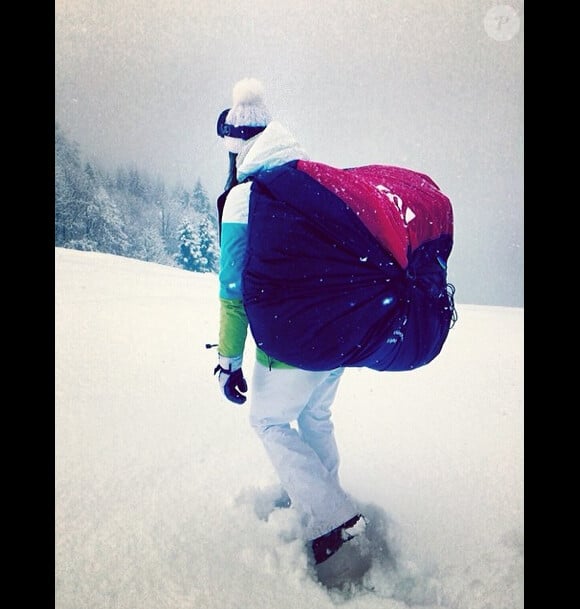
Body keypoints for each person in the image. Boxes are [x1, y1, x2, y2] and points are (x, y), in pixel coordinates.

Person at [213, 77, 367, 570]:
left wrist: (227, 360)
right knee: (314, 417)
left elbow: (233, 294)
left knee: (267, 418)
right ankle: (328, 499)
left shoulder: (245, 197)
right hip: (342, 332)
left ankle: (330, 517)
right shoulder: (310, 180)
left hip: (293, 341)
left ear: (238, 147)